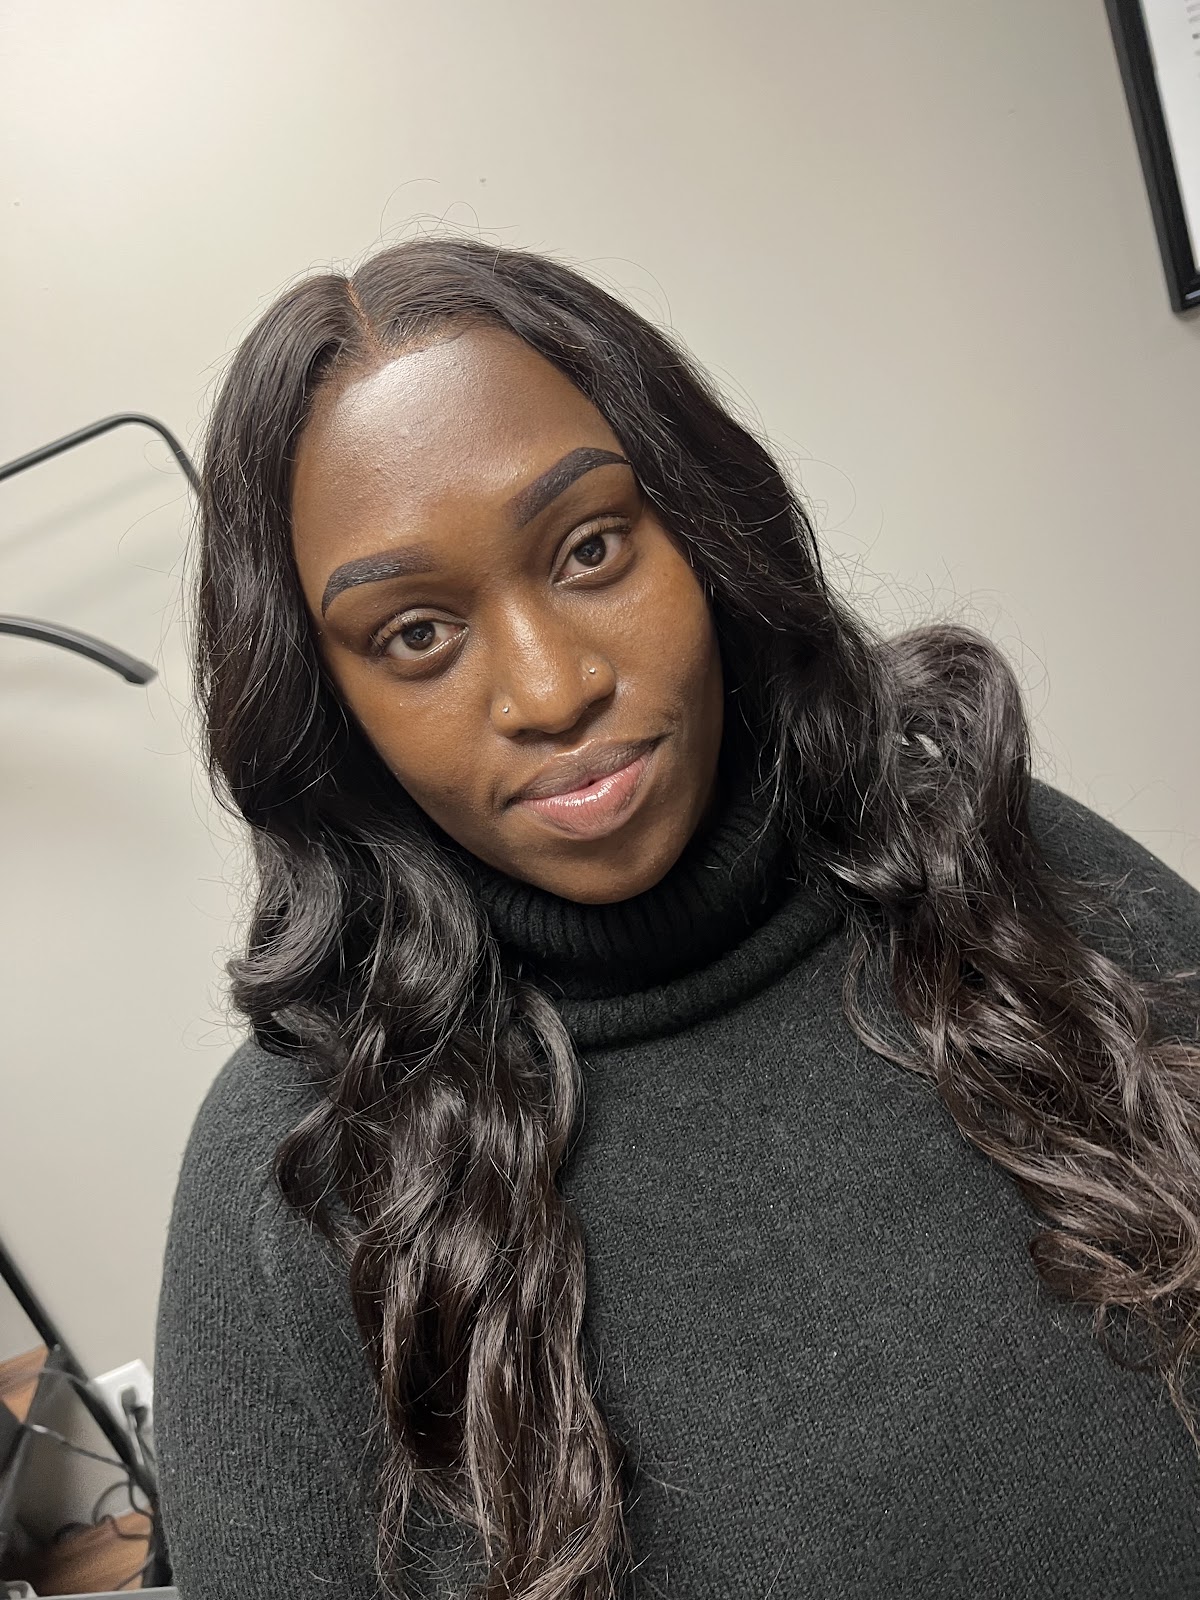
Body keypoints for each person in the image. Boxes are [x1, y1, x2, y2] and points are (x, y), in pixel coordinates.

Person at [154, 236, 1200, 1600]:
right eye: (415, 634)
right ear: (326, 703)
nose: (551, 690)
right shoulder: (291, 1174)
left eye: (590, 549)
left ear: (703, 533)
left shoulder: (993, 863)